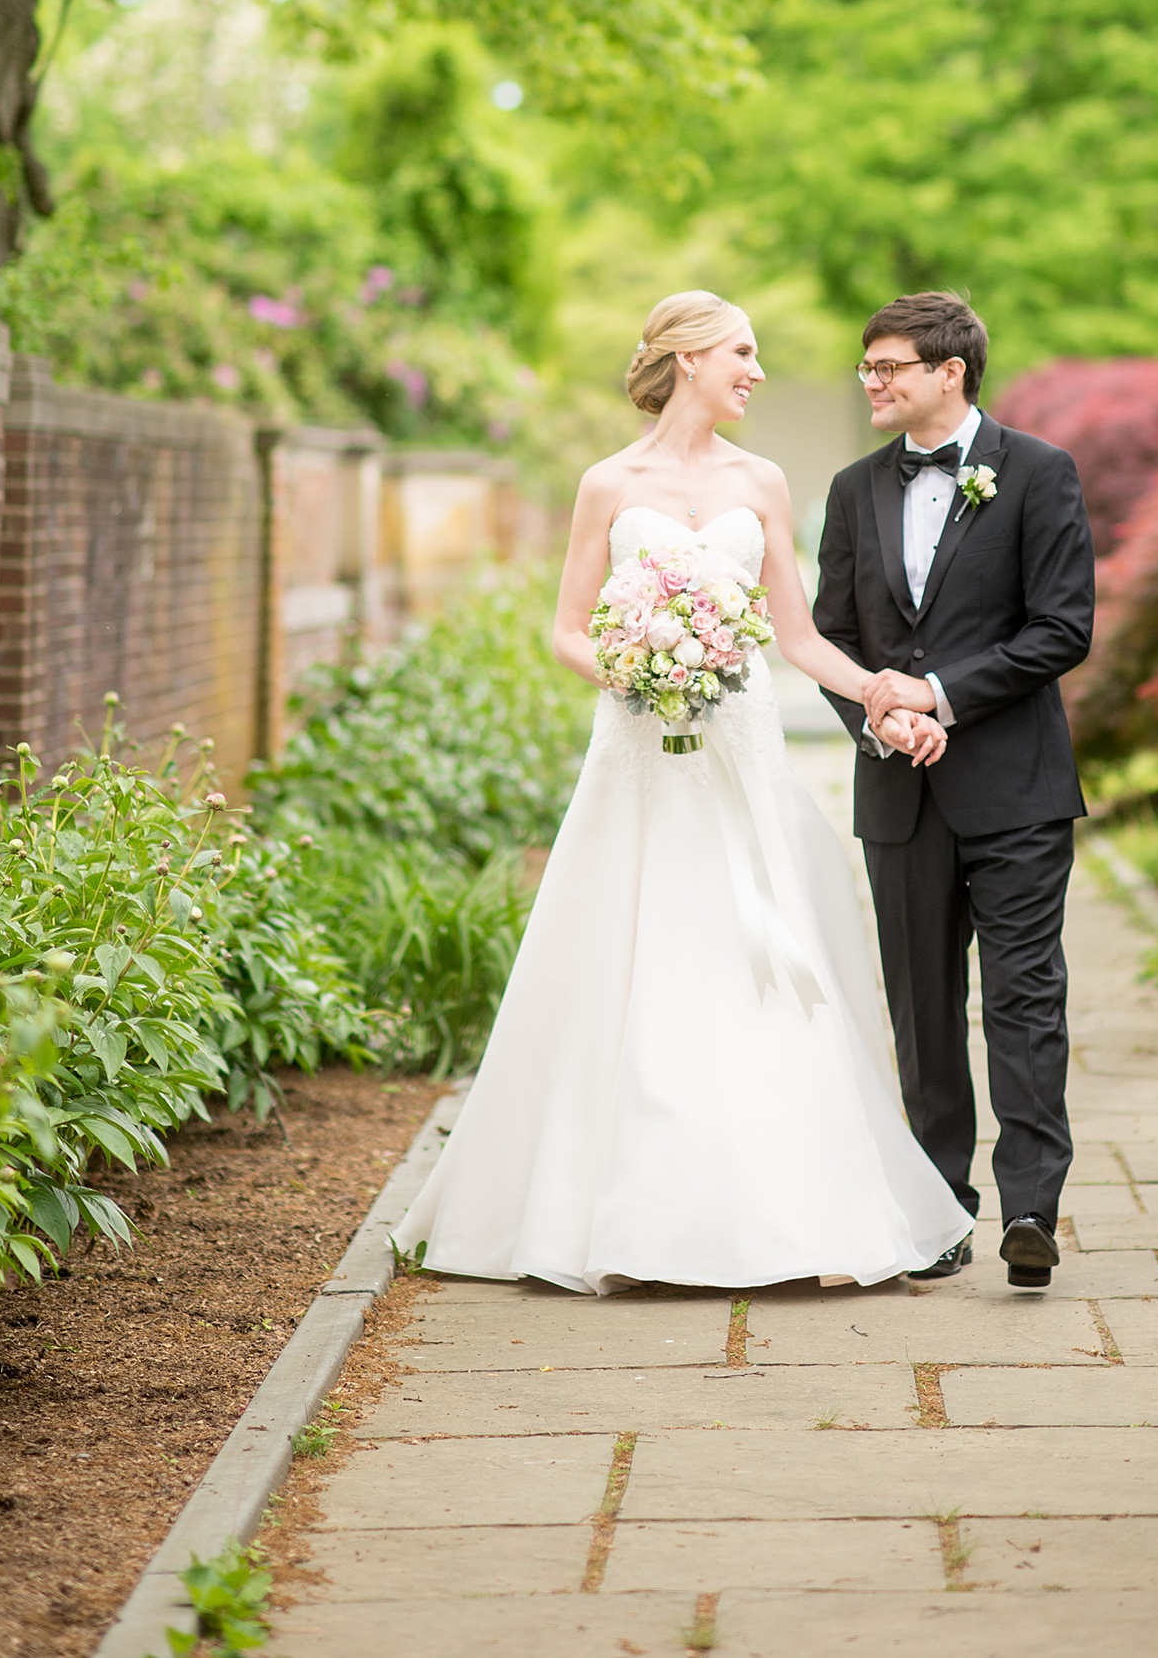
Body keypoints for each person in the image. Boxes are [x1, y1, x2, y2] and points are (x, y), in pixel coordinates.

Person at [393, 290, 974, 1293]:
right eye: (741, 353)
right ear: (688, 357)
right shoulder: (606, 483)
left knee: (756, 960)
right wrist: (632, 671)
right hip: (638, 757)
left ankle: (781, 1214)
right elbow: (567, 629)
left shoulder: (764, 479)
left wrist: (881, 693)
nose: (755, 370)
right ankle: (615, 1213)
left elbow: (793, 639)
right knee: (634, 957)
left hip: (738, 755)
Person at [812, 292, 1096, 1287]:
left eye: (888, 365)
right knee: (921, 1008)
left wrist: (936, 695)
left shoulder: (1038, 473)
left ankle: (1030, 1210)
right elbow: (830, 637)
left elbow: (1061, 629)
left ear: (950, 371)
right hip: (898, 796)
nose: (872, 381)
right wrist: (881, 719)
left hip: (1015, 789)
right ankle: (937, 1210)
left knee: (1024, 1000)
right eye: (866, 367)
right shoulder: (851, 490)